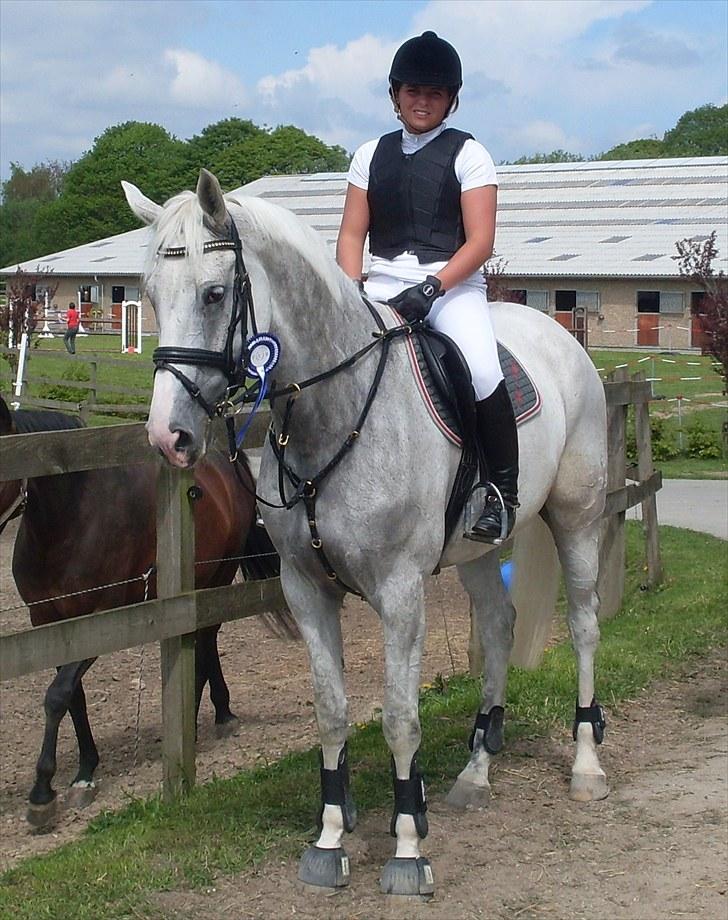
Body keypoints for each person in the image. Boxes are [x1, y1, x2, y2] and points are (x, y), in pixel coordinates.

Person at [336, 30, 519, 543]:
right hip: (382, 284)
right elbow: (350, 235)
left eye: (434, 94)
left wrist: (433, 289)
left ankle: (502, 493)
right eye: (413, 91)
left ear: (451, 99)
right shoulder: (369, 154)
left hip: (451, 286)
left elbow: (481, 241)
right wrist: (350, 291)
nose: (422, 102)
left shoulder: (470, 154)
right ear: (395, 95)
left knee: (481, 369)